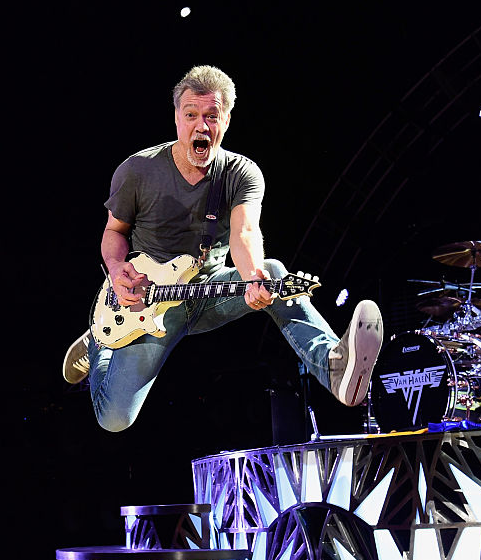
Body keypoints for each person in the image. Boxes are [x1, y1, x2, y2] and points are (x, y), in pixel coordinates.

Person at [62, 65, 383, 432]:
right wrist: (116, 266)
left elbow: (244, 232)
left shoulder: (241, 173)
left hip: (207, 292)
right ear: (177, 118)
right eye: (191, 115)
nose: (201, 126)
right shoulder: (137, 170)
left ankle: (334, 366)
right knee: (116, 419)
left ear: (226, 121)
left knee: (273, 273)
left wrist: (254, 279)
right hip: (148, 302)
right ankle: (98, 346)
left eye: (212, 116)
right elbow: (114, 231)